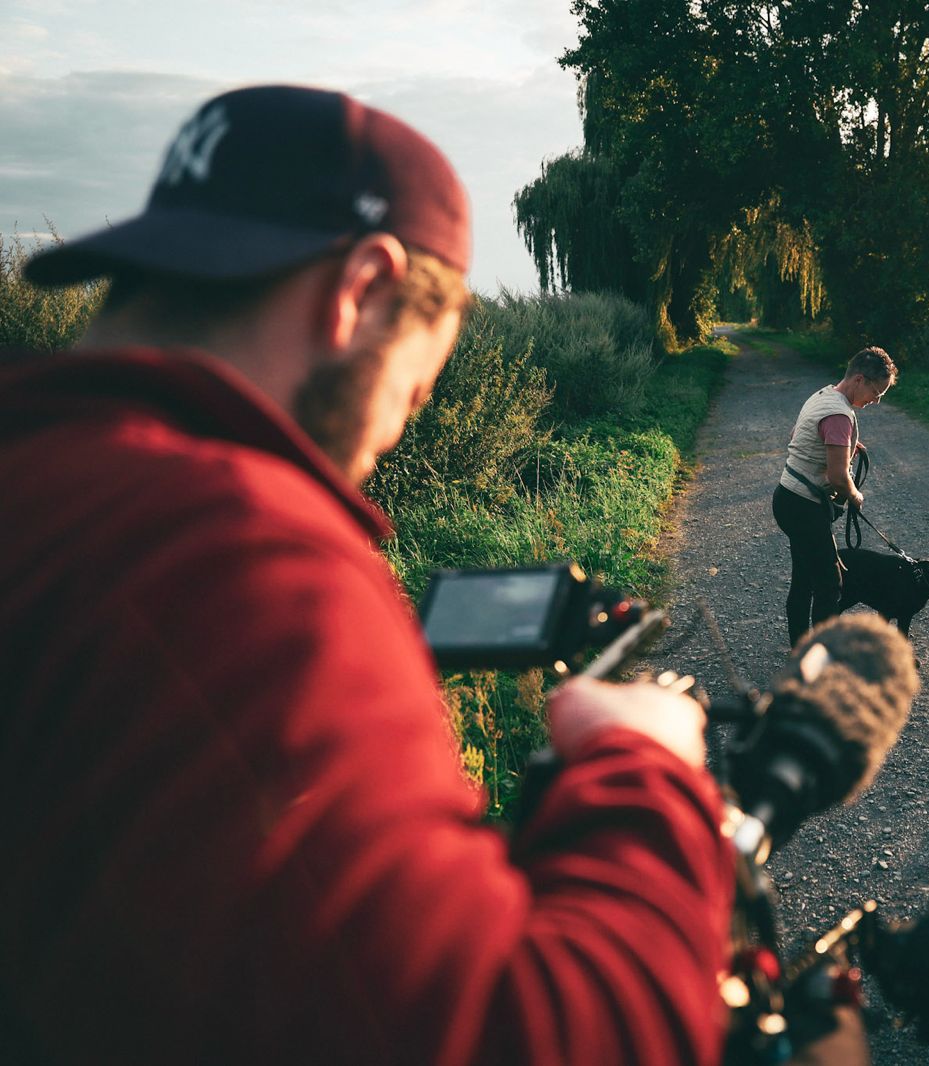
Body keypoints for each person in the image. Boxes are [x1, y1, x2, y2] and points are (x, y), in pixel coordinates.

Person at [1, 85, 731, 1065]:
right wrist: (642, 767)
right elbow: (523, 1038)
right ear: (364, 288)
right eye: (415, 390)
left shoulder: (49, 485)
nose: (387, 440)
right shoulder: (242, 554)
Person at [772, 346, 897, 647]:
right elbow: (838, 478)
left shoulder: (824, 396)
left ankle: (800, 653)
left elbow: (798, 436)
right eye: (876, 392)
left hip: (788, 498)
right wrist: (855, 495)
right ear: (859, 379)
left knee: (803, 581)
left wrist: (847, 444)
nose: (876, 400)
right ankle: (821, 660)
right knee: (830, 586)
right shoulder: (840, 414)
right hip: (804, 508)